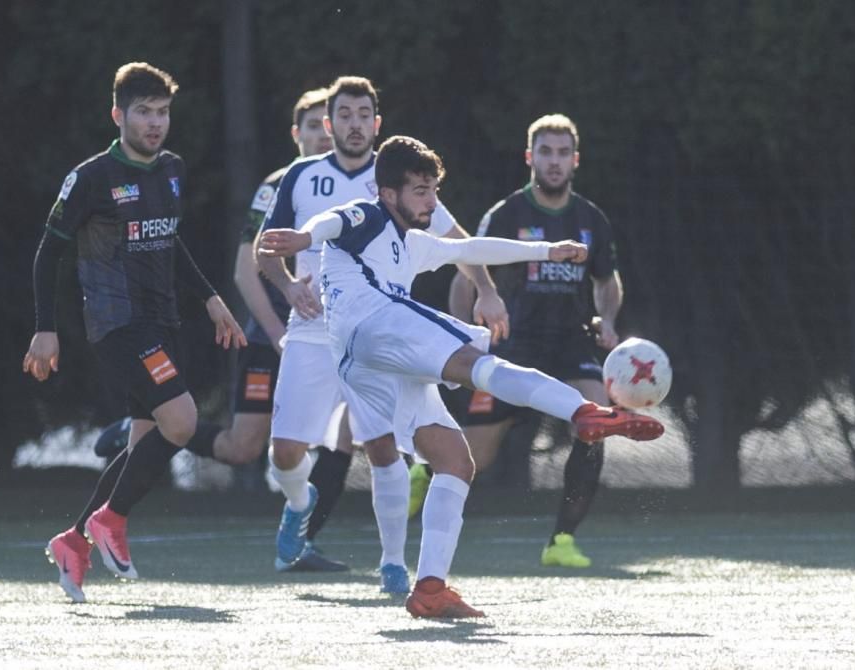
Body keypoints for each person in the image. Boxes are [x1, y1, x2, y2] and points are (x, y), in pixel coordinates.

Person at [258, 135, 663, 618]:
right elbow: (332, 222)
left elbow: (473, 246)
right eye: (421, 191)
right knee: (480, 364)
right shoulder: (367, 217)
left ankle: (429, 587)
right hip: (374, 325)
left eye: (433, 189)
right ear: (389, 194)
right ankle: (584, 412)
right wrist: (303, 239)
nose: (431, 201)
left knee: (455, 461)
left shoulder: (414, 243)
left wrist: (548, 250)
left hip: (366, 361)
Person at [256, 76, 507, 587]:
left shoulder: (397, 179)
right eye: (343, 115)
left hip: (379, 335)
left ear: (377, 122)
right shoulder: (301, 176)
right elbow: (266, 246)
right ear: (327, 124)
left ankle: (393, 562)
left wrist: (486, 288)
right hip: (312, 330)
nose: (354, 124)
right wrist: (286, 288)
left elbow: (459, 241)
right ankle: (299, 502)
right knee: (284, 451)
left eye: (363, 114)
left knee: (383, 447)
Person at [90, 87, 351, 572]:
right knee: (243, 447)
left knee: (342, 437)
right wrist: (276, 332)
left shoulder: (359, 183)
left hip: (335, 342)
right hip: (274, 338)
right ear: (297, 135)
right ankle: (136, 428)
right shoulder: (281, 185)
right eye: (312, 126)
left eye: (327, 125)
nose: (321, 134)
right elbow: (244, 268)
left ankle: (298, 545)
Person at [23, 62, 245, 604]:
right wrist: (44, 330)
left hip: (165, 321)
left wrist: (212, 298)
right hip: (118, 324)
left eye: (163, 111)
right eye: (143, 112)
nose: (154, 122)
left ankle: (75, 540)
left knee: (147, 443)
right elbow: (49, 251)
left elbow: (171, 241)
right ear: (118, 114)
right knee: (183, 421)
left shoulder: (171, 168)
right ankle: (111, 520)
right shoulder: (92, 177)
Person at [425, 113, 623, 569]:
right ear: (530, 157)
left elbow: (607, 280)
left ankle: (561, 541)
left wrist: (608, 319)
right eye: (546, 152)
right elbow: (467, 268)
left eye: (563, 153)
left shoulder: (591, 219)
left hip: (571, 347)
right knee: (474, 459)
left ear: (576, 160)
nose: (555, 162)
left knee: (593, 426)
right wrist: (463, 338)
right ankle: (422, 475)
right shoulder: (507, 214)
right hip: (514, 347)